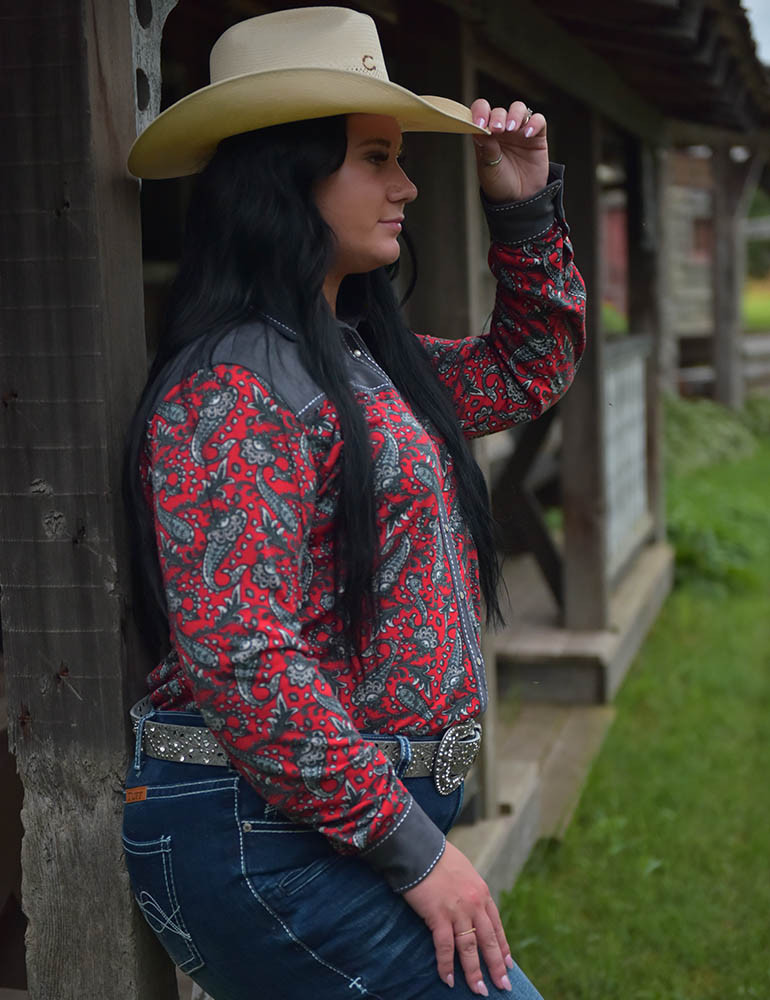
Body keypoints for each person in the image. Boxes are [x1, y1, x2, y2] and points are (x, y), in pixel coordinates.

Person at [122, 7, 586, 1000]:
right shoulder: (234, 388)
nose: (406, 184)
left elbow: (522, 371)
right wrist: (418, 852)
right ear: (286, 174)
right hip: (264, 837)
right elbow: (242, 658)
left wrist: (521, 212)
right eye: (376, 158)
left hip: (321, 826)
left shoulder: (354, 358)